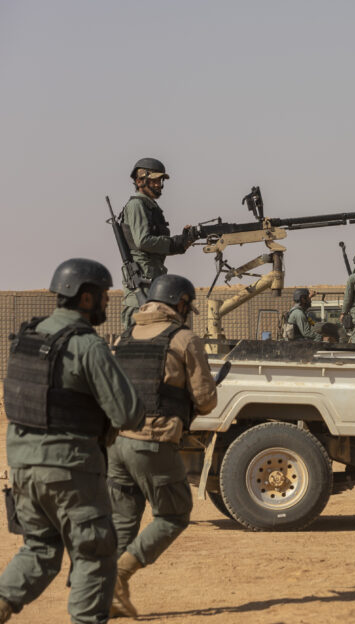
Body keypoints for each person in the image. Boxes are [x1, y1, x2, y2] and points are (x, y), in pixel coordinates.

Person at [0, 259, 144, 624]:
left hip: (22, 468)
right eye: (103, 297)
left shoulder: (27, 338)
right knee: (94, 554)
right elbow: (128, 413)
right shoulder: (86, 345)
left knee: (40, 549)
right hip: (70, 470)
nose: (107, 304)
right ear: (85, 298)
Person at [107, 274, 217, 618]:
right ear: (180, 303)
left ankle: (106, 594)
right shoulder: (184, 339)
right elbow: (207, 400)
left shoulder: (124, 338)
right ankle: (118, 576)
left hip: (116, 443)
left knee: (124, 521)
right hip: (151, 444)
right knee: (173, 515)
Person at [119, 157, 198, 328]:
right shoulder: (137, 205)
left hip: (151, 283)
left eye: (159, 180)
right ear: (140, 180)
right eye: (153, 180)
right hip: (142, 287)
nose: (158, 184)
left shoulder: (150, 207)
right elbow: (143, 241)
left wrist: (181, 243)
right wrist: (173, 244)